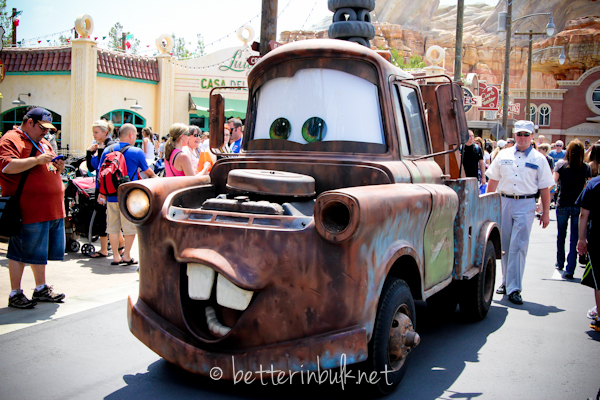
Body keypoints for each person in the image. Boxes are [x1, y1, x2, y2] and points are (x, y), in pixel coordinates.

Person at [0, 107, 66, 308]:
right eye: (42, 127)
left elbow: (48, 167)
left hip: (49, 208)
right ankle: (15, 293)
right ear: (29, 122)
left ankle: (40, 288)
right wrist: (37, 160)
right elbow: (6, 166)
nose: (46, 132)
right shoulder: (11, 139)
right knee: (19, 252)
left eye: (48, 129)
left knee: (40, 252)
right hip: (27, 207)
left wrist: (58, 166)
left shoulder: (43, 142)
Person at [486, 120, 555, 305]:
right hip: (504, 201)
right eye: (519, 134)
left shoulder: (539, 159)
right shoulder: (503, 155)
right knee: (506, 246)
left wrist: (546, 212)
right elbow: (493, 181)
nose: (522, 138)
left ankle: (515, 288)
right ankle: (506, 282)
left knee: (520, 245)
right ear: (514, 135)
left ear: (532, 137)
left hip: (526, 203)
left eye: (526, 134)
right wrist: (486, 206)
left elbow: (545, 188)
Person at [97, 123, 157, 266]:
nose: (135, 137)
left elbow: (100, 173)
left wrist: (102, 193)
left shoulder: (107, 149)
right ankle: (127, 255)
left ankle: (116, 257)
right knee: (129, 227)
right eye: (135, 135)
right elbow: (148, 173)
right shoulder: (136, 152)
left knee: (112, 226)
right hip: (129, 197)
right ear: (131, 135)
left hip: (111, 194)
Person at [85, 119, 125, 259]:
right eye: (93, 132)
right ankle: (120, 245)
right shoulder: (100, 146)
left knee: (105, 217)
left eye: (96, 132)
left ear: (105, 132)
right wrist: (89, 152)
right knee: (106, 217)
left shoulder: (110, 147)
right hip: (103, 186)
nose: (94, 135)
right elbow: (92, 167)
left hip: (106, 187)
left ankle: (105, 249)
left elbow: (101, 168)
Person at [553, 139, 591, 279]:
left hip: (562, 203)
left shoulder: (561, 165)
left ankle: (559, 262)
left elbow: (554, 182)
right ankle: (570, 268)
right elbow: (588, 186)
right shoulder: (585, 167)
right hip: (577, 205)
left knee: (561, 235)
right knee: (574, 237)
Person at [575, 176, 600, 332]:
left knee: (599, 282)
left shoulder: (594, 183)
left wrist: (581, 238)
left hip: (598, 239)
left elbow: (584, 214)